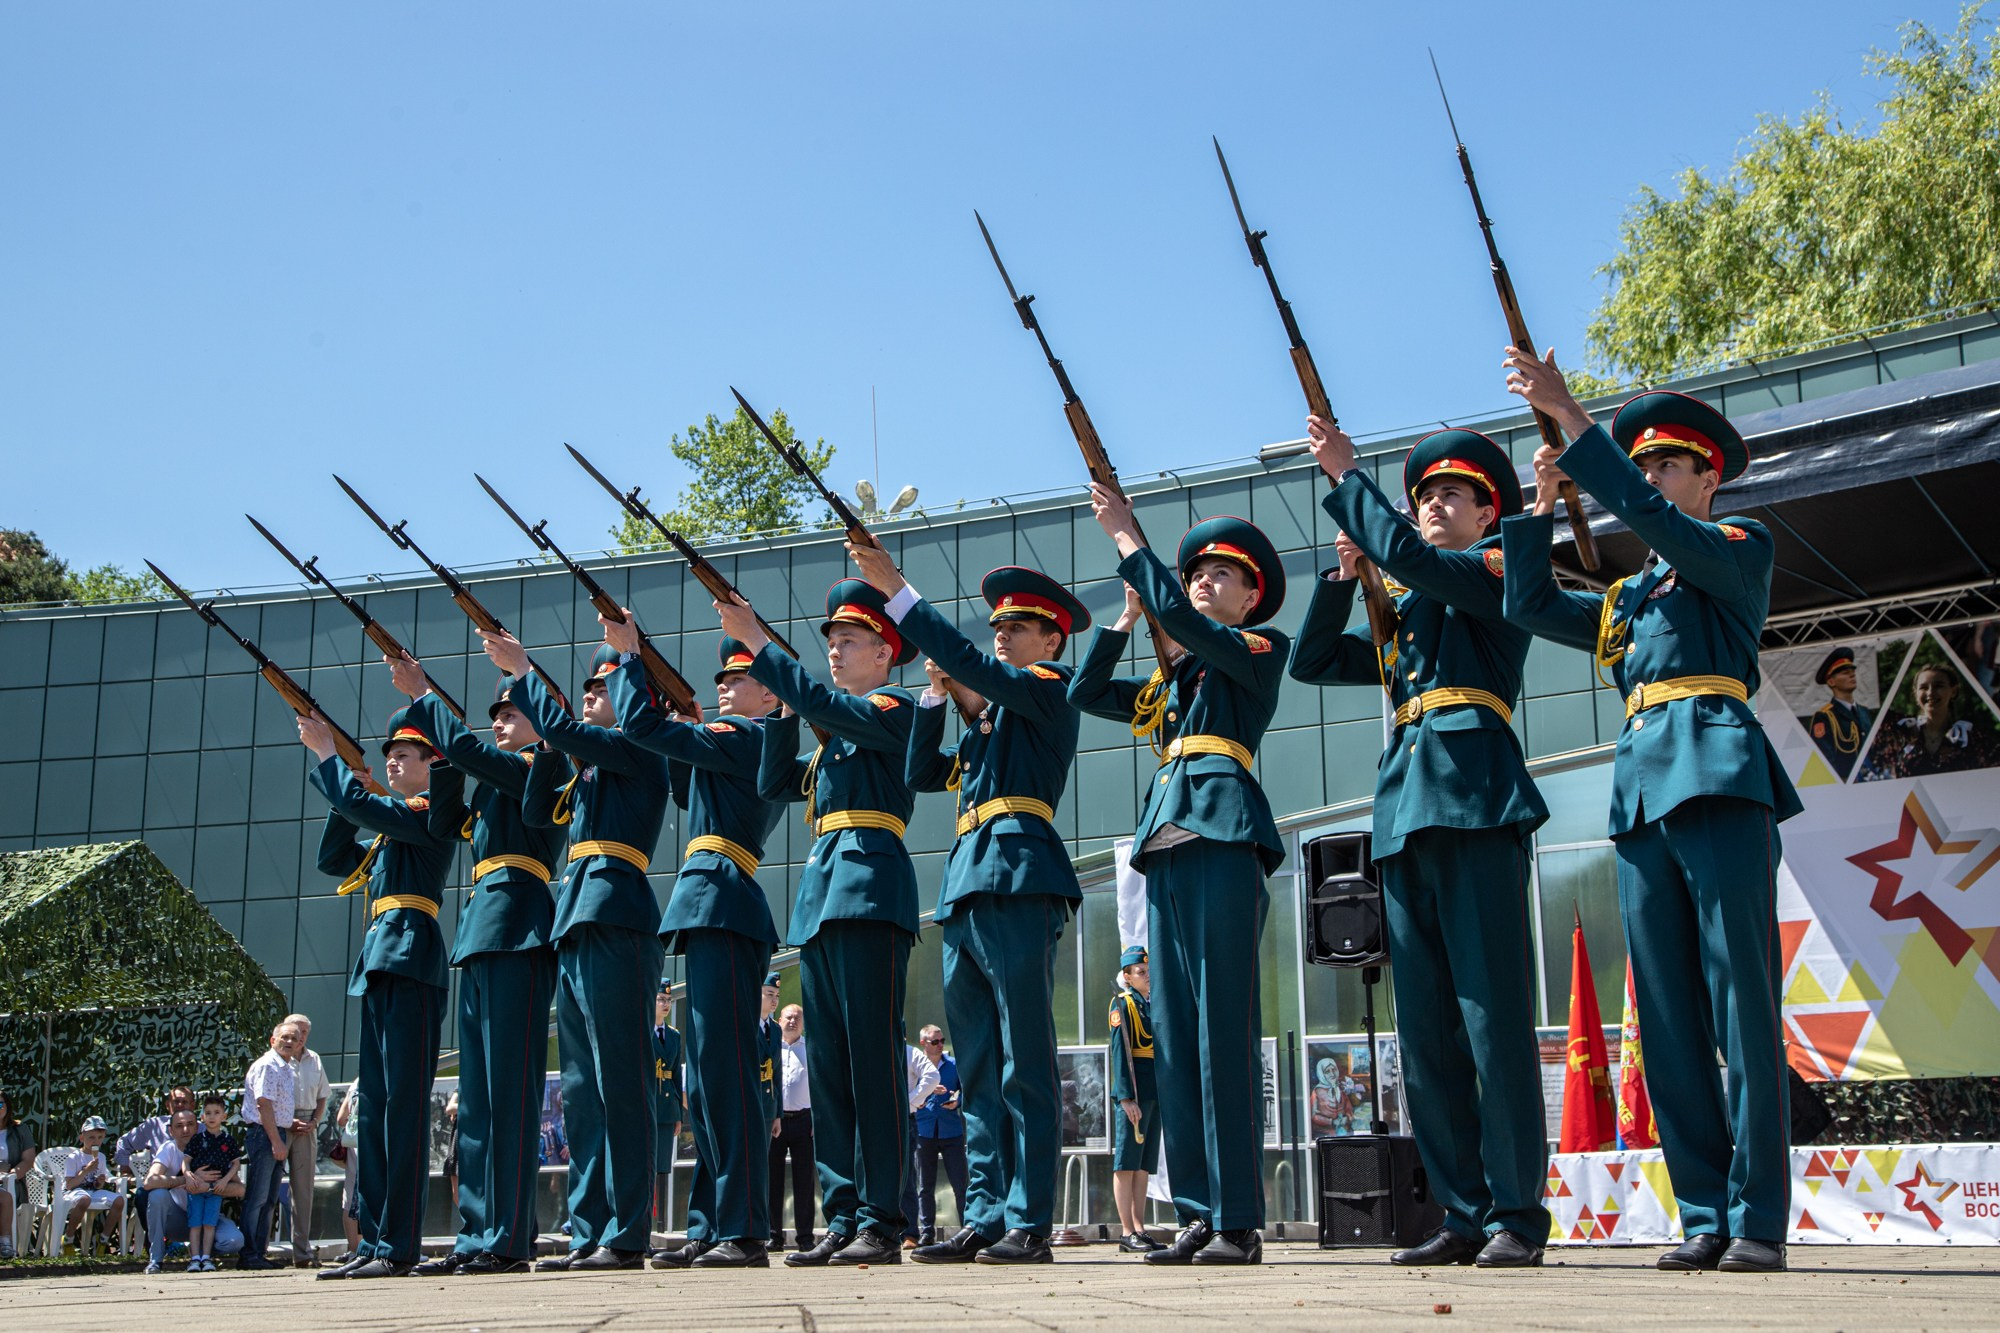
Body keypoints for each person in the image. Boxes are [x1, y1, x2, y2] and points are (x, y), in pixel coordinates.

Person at [1500, 349, 1802, 1275]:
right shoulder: (1631, 598)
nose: (1653, 477)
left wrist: (1578, 422)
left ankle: (1758, 1217)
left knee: (1741, 1005)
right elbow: (1528, 600)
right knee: (1666, 1016)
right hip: (1641, 794)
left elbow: (1652, 520)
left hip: (1715, 773)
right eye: (1649, 463)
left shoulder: (1739, 547)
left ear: (1707, 477)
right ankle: (1704, 1210)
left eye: (1667, 464)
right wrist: (1543, 502)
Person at [1288, 418, 1551, 1268]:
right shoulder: (1406, 612)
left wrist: (1347, 477)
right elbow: (1316, 659)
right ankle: (1463, 1210)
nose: (1436, 504)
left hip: (1476, 799)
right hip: (1407, 814)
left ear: (1487, 515)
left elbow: (1425, 565)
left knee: (1491, 1022)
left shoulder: (1498, 571)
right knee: (1427, 1030)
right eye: (1426, 495)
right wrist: (1344, 574)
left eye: (1453, 495)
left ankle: (1516, 1210)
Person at [848, 546, 1091, 1267]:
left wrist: (900, 596)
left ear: (1051, 641)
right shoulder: (986, 726)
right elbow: (922, 771)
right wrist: (935, 696)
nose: (1003, 636)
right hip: (969, 886)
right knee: (978, 1065)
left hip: (1019, 877)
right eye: (999, 627)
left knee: (1024, 1060)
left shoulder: (1050, 688)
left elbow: (985, 671)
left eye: (1020, 628)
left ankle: (1031, 1218)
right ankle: (985, 1212)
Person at [1068, 498, 1290, 1267]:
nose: (1202, 583)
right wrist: (1126, 620)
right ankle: (1197, 1209)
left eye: (1219, 575)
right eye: (1194, 573)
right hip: (1167, 840)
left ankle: (1237, 1216)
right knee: (1178, 1041)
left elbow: (1193, 628)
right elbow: (1085, 691)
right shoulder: (1177, 673)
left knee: (1221, 1031)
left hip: (1224, 829)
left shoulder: (1257, 646)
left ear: (1250, 595)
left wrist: (1130, 539)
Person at [721, 579, 921, 1268]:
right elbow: (777, 781)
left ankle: (885, 1216)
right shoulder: (835, 738)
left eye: (849, 642)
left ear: (884, 654)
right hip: (828, 898)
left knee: (873, 1064)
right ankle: (842, 1214)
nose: (835, 651)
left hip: (870, 891)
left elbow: (830, 706)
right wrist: (778, 713)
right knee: (833, 1071)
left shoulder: (896, 707)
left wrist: (761, 646)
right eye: (831, 643)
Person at [599, 623, 785, 1271]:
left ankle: (744, 1226)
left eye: (742, 679)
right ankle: (713, 1221)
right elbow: (685, 788)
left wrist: (629, 659)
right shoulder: (729, 741)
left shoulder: (748, 736)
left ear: (772, 698)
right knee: (706, 1080)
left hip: (724, 900)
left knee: (726, 1075)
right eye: (724, 680)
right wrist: (688, 725)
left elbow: (644, 732)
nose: (728, 686)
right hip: (710, 903)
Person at [484, 634, 670, 1273]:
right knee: (586, 1092)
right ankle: (590, 1229)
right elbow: (541, 812)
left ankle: (628, 1231)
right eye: (587, 688)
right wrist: (544, 753)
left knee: (621, 1080)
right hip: (578, 915)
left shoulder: (639, 747)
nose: (592, 695)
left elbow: (569, 731)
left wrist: (524, 671)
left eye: (604, 687)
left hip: (616, 910)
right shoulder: (585, 762)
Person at [397, 662, 570, 1277]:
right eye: (494, 714)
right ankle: (477, 1232)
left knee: (510, 1094)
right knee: (477, 1100)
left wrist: (425, 697)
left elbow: (472, 751)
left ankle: (508, 1234)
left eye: (511, 713)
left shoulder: (541, 768)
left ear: (540, 722)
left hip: (518, 930)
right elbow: (446, 822)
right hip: (483, 932)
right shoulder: (493, 779)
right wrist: (442, 764)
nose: (499, 722)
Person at [302, 706, 454, 1279]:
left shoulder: (428, 812)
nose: (393, 759)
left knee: (403, 1111)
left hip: (411, 957)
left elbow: (370, 811)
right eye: (388, 754)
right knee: (376, 1113)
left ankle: (399, 1245)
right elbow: (332, 858)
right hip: (382, 962)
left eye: (406, 754)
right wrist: (353, 787)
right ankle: (372, 1240)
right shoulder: (390, 830)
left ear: (431, 765)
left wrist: (328, 760)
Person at [141, 1110, 246, 1273]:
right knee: (157, 1195)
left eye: (190, 1125)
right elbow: (149, 1182)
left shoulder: (215, 1147)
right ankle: (156, 1260)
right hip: (178, 1220)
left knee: (234, 1241)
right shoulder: (168, 1148)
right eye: (179, 1126)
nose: (185, 1130)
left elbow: (240, 1189)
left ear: (198, 1127)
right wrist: (188, 1179)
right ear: (171, 1131)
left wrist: (209, 1187)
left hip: (207, 1218)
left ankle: (202, 1254)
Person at [239, 1020, 304, 1269]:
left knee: (268, 1199)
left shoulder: (287, 1067)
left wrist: (289, 1122)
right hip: (265, 1135)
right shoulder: (269, 1065)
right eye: (284, 1037)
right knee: (257, 1197)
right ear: (272, 1040)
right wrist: (276, 1141)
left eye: (294, 1039)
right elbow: (263, 1104)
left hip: (276, 1132)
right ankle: (249, 1254)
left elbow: (275, 1107)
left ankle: (259, 1252)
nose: (289, 1042)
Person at [1107, 946, 1159, 1252]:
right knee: (1126, 1163)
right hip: (1134, 1092)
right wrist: (1125, 1097)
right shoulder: (1122, 1005)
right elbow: (1119, 1052)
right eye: (1140, 972)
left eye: (1148, 971)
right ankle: (1126, 1232)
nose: (1147, 976)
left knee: (1143, 1165)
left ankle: (1140, 1226)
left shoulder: (1151, 1004)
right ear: (1127, 976)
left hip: (1153, 1091)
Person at [1865, 662, 1995, 777]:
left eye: (1938, 686)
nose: (1930, 692)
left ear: (1953, 691)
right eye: (1923, 687)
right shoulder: (1899, 733)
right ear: (1915, 694)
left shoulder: (1971, 738)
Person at [114, 1084, 195, 1246]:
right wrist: (124, 1169)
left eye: (184, 1102)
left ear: (193, 1105)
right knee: (143, 1194)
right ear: (167, 1105)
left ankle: (199, 1244)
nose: (179, 1105)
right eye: (175, 1102)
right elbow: (124, 1143)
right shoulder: (153, 1126)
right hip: (161, 1183)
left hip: (192, 1185)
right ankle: (155, 1243)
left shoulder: (199, 1128)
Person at [910, 1027, 967, 1249]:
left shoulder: (953, 1065)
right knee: (925, 1185)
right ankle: (926, 1232)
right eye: (935, 1042)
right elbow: (909, 1091)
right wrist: (925, 1095)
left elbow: (964, 1091)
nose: (940, 1045)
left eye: (942, 1040)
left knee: (960, 1184)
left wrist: (957, 1102)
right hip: (924, 1130)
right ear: (923, 1042)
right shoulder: (916, 1067)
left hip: (951, 1129)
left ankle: (966, 1227)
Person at [282, 1013, 332, 1267]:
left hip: (308, 1123)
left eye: (304, 1032)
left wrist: (315, 1121)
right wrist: (286, 1120)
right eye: (295, 1030)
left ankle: (302, 1253)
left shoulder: (315, 1060)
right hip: (281, 1124)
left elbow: (323, 1094)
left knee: (303, 1192)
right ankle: (255, 1251)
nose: (300, 1036)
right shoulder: (278, 1060)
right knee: (268, 1188)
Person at [768, 1003, 815, 1253]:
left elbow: (819, 1087)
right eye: (788, 1017)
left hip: (803, 1121)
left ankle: (805, 1237)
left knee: (804, 1182)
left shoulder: (811, 1049)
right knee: (772, 1180)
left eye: (798, 1018)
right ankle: (773, 1236)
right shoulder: (771, 1046)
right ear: (779, 1020)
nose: (793, 1021)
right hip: (776, 1120)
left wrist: (816, 1120)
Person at [183, 1094, 242, 1271]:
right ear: (202, 1116)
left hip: (216, 1189)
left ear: (224, 1116)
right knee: (195, 1224)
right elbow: (186, 1159)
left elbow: (236, 1163)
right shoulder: (197, 1139)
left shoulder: (228, 1140)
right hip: (196, 1189)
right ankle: (194, 1258)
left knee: (210, 1224)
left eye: (216, 1112)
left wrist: (224, 1180)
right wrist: (187, 1174)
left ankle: (206, 1258)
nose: (212, 1116)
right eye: (208, 1113)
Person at [1800, 647, 1872, 780]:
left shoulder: (1864, 712)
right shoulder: (1825, 716)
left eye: (1852, 672)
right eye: (1845, 672)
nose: (1852, 675)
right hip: (1846, 785)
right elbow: (1824, 758)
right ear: (1831, 681)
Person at [896, 1042, 942, 1247]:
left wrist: (910, 1100)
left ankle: (909, 1233)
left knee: (906, 1177)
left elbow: (932, 1076)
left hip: (905, 1119)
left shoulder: (910, 1052)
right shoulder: (872, 1049)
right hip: (874, 1119)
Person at [651, 983, 685, 1253]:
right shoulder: (641, 1031)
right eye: (660, 999)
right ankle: (640, 1231)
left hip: (666, 1109)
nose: (665, 1004)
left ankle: (652, 1230)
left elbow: (676, 1075)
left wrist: (677, 1114)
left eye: (668, 1000)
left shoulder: (673, 1036)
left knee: (660, 1171)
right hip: (647, 1106)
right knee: (644, 1170)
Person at [61, 1116, 124, 1254]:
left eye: (100, 1137)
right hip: (73, 1192)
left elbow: (96, 1185)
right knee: (84, 1199)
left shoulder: (100, 1157)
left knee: (119, 1201)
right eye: (91, 1137)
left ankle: (102, 1241)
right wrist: (86, 1170)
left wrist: (100, 1182)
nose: (96, 1141)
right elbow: (70, 1184)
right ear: (82, 1138)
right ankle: (68, 1239)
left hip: (91, 1191)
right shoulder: (74, 1157)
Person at [0, 1084, 36, 1259]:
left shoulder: (20, 1129)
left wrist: (12, 1174)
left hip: (12, 1182)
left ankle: (5, 1244)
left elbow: (29, 1159)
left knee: (7, 1196)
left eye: (0, 1104)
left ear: (7, 1106)